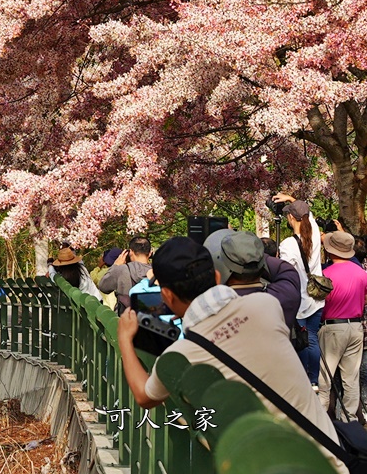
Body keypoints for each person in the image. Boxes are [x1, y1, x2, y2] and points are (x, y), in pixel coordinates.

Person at [116, 237, 348, 474]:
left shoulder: (182, 354)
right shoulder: (266, 305)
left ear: (166, 295)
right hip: (331, 462)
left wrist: (125, 338)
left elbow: (145, 396)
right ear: (217, 277)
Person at [204, 229, 301, 331]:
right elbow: (283, 268)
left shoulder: (214, 308)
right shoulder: (285, 295)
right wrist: (251, 250)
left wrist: (234, 249)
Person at [278, 196, 328, 387]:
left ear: (291, 218)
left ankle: (303, 381)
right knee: (313, 338)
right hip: (316, 298)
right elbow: (309, 215)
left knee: (300, 340)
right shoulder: (315, 234)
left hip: (298, 300)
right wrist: (292, 198)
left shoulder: (287, 244)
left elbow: (286, 271)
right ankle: (314, 380)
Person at [319, 230, 367, 421]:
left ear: (330, 251)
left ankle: (321, 420)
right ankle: (351, 423)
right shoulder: (362, 273)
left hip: (331, 327)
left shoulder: (324, 274)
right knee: (351, 379)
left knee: (325, 379)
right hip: (355, 327)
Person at [99, 237, 153, 313]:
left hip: (127, 318)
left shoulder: (122, 269)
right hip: (152, 319)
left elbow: (103, 287)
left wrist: (115, 265)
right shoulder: (158, 271)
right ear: (150, 253)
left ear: (130, 252)